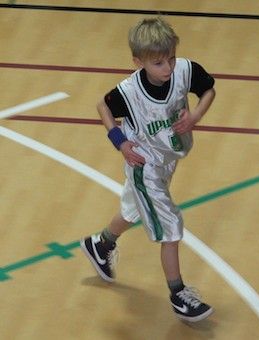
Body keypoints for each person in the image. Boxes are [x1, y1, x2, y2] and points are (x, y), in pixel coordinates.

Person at [80, 17, 216, 322]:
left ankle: (100, 245)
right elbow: (102, 105)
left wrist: (194, 116)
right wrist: (120, 142)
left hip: (168, 158)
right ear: (138, 61)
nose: (167, 68)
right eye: (158, 63)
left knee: (132, 210)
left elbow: (208, 89)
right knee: (171, 226)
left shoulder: (184, 70)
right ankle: (179, 294)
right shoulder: (128, 93)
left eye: (170, 58)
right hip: (145, 166)